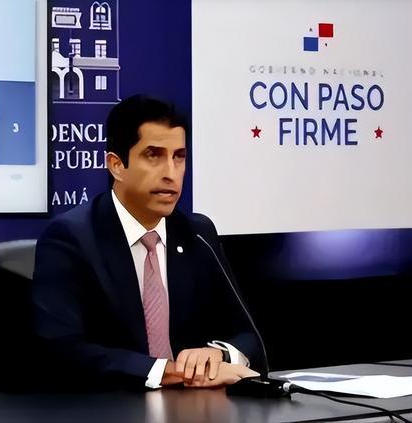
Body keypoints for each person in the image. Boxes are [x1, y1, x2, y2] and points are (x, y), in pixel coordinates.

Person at [32, 95, 261, 390]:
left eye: (179, 157)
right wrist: (173, 373)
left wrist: (219, 355)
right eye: (154, 156)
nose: (170, 173)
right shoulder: (71, 238)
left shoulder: (197, 233)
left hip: (196, 406)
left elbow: (249, 335)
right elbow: (62, 349)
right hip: (111, 406)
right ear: (116, 165)